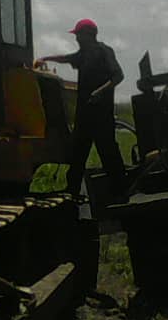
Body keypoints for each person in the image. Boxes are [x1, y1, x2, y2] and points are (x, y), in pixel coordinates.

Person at [35, 19, 127, 198]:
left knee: (108, 153)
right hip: (84, 115)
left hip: (101, 115)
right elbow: (66, 58)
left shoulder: (104, 51)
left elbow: (119, 75)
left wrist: (100, 92)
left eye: (78, 35)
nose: (76, 38)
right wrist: (45, 58)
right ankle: (72, 193)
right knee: (77, 155)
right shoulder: (83, 54)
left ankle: (120, 193)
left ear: (88, 35)